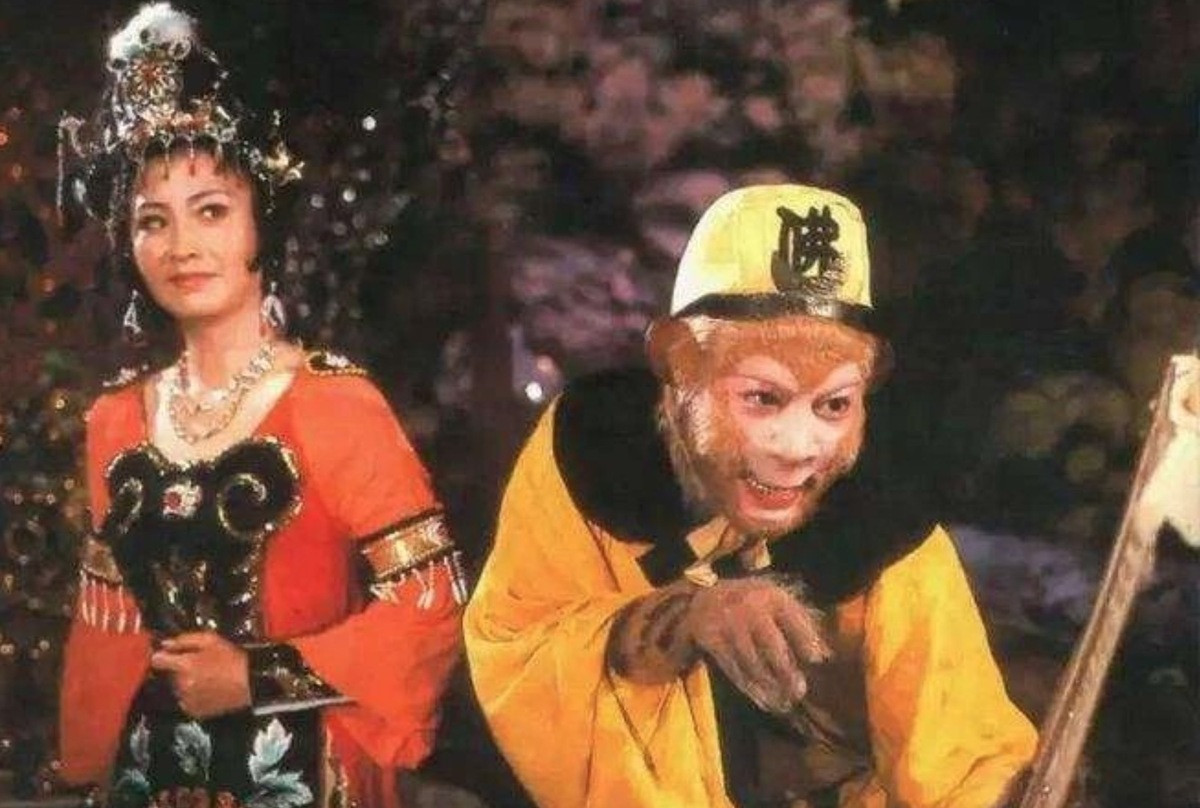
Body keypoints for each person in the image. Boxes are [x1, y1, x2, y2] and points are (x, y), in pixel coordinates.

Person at [464, 184, 1038, 807]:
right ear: (682, 366)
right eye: (763, 397)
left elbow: (962, 758)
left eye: (834, 405)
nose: (798, 448)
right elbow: (515, 645)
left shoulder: (885, 517)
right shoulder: (595, 447)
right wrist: (687, 618)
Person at [57, 5, 465, 805]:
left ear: (259, 225)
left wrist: (257, 675)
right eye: (152, 220)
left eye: (211, 209)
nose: (182, 245)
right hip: (148, 779)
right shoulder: (115, 421)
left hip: (301, 774)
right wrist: (81, 777)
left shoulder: (335, 406)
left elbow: (432, 606)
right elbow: (106, 637)